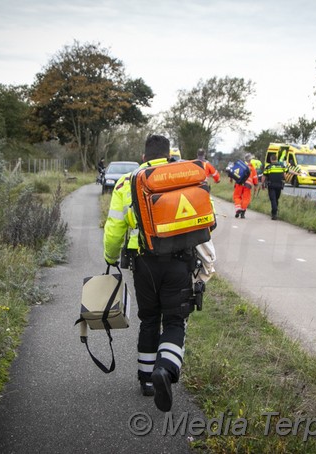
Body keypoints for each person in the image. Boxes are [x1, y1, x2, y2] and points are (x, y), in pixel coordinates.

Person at [103, 134, 193, 412]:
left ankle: (147, 381)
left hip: (144, 262)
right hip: (179, 262)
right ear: (168, 156)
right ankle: (165, 369)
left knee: (150, 319)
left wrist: (110, 256)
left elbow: (115, 227)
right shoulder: (183, 178)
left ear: (144, 156)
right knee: (175, 320)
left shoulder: (125, 182)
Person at [233, 153, 258, 219]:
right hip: (248, 185)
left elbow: (235, 175)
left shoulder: (241, 165)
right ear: (250, 160)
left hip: (239, 184)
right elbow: (255, 178)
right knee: (246, 198)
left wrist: (234, 183)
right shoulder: (252, 168)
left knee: (237, 196)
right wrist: (256, 185)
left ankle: (238, 209)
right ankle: (243, 212)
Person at [263, 153, 288, 220]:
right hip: (279, 185)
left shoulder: (269, 167)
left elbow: (264, 176)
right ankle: (275, 211)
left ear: (271, 160)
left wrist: (262, 184)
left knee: (273, 199)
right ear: (276, 159)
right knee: (276, 199)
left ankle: (274, 213)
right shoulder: (281, 166)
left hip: (271, 185)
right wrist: (285, 180)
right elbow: (285, 175)